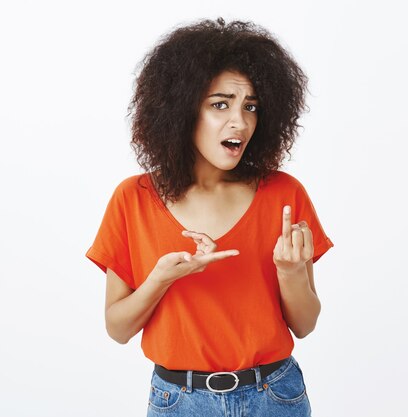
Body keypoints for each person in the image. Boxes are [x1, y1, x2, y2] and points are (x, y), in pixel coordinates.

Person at [86, 18, 333, 417]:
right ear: (182, 109)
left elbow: (304, 325)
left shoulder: (284, 195)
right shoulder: (133, 198)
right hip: (179, 401)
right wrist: (161, 279)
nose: (240, 121)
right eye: (220, 104)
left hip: (275, 396)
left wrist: (290, 272)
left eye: (250, 106)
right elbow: (117, 329)